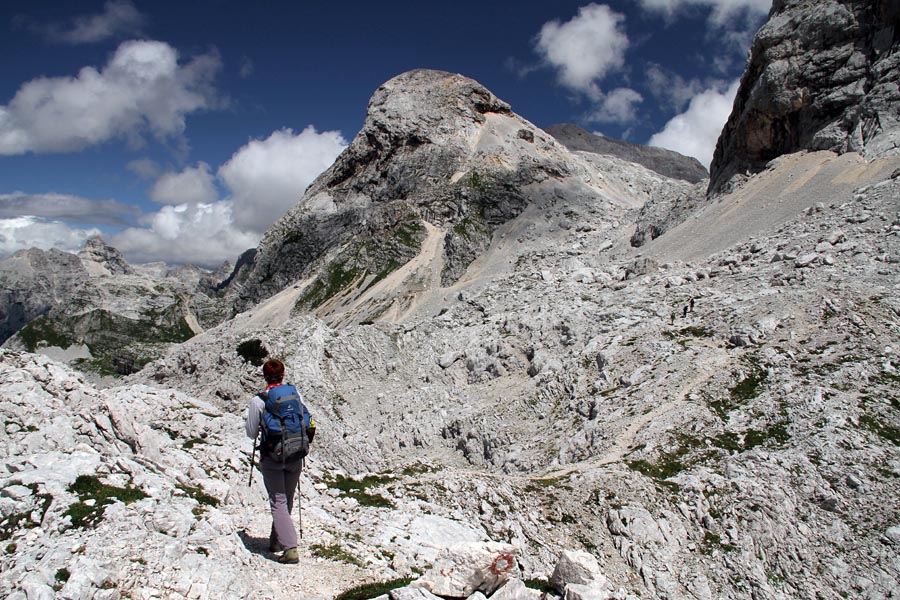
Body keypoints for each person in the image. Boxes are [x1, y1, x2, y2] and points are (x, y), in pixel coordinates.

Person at [245, 358, 308, 564]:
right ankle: (277, 540)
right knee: (287, 499)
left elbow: (251, 432)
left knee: (278, 501)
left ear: (265, 376)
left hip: (272, 456)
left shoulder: (259, 400)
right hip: (295, 454)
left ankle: (290, 548)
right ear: (283, 375)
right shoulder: (295, 394)